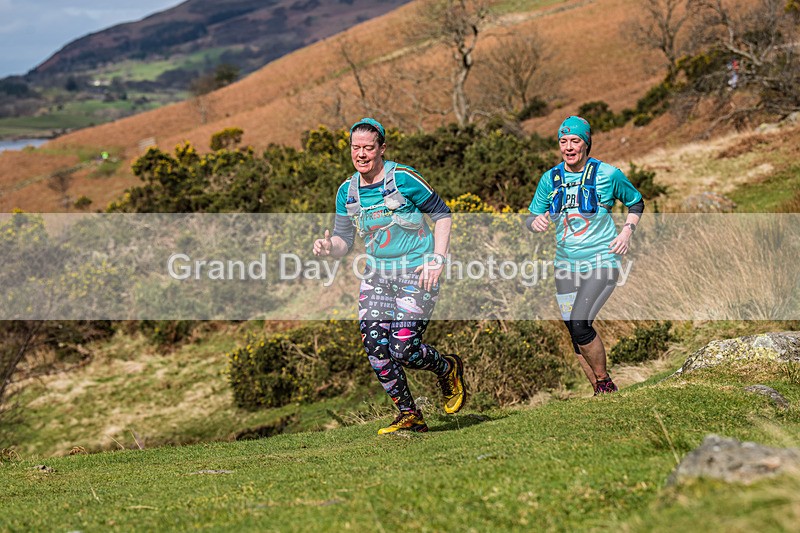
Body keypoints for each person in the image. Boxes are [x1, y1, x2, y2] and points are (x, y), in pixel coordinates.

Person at [313, 117, 466, 434]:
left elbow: (442, 215)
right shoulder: (347, 191)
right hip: (377, 275)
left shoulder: (404, 178)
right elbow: (344, 240)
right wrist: (330, 247)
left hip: (417, 271)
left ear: (382, 149)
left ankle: (447, 368)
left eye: (368, 148)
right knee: (375, 347)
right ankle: (410, 414)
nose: (362, 154)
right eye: (356, 148)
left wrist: (437, 259)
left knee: (404, 349)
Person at [526, 116, 644, 395]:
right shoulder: (550, 178)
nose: (568, 147)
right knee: (573, 330)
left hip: (602, 260)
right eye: (563, 141)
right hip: (565, 266)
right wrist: (535, 223)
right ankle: (598, 391)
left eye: (575, 141)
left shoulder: (608, 174)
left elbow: (636, 202)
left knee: (580, 323)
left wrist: (626, 232)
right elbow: (531, 217)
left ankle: (605, 383)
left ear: (586, 143)